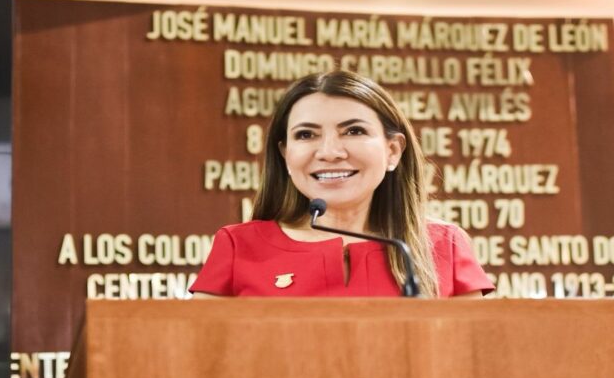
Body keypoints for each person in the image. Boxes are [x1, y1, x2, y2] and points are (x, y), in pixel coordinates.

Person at [190, 70, 493, 298]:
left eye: (354, 131)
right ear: (285, 154)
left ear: (392, 151)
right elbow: (197, 354)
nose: (330, 152)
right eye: (306, 135)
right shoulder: (238, 246)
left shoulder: (444, 245)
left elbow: (477, 356)